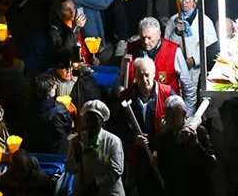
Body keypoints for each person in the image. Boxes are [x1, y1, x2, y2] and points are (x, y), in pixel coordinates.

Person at [119, 57, 173, 194]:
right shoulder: (126, 96)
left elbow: (175, 127)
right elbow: (117, 126)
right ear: (135, 76)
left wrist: (159, 151)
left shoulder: (167, 93)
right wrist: (133, 137)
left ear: (154, 73)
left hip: (162, 156)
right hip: (137, 157)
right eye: (140, 76)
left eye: (147, 75)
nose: (144, 80)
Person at [122, 17, 196, 114]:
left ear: (159, 35)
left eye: (149, 38)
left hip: (168, 114)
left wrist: (187, 114)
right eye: (142, 37)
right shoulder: (130, 49)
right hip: (137, 112)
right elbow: (121, 79)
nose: (145, 42)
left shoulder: (173, 51)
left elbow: (188, 86)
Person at [155, 95, 217, 195]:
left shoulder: (200, 132)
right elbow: (166, 167)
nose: (169, 120)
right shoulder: (164, 135)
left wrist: (196, 145)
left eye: (173, 116)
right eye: (167, 116)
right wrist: (176, 145)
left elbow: (211, 165)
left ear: (184, 114)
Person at [66, 100, 125, 196]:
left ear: (102, 122)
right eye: (88, 119)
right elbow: (70, 169)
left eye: (95, 119)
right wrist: (76, 157)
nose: (91, 123)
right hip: (82, 191)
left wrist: (95, 185)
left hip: (108, 192)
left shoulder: (113, 141)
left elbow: (116, 170)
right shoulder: (76, 140)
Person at [163, 0, 217, 85]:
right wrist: (177, 33)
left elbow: (212, 48)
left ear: (194, 1)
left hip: (199, 70)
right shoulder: (173, 20)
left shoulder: (204, 20)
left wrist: (194, 60)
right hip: (178, 69)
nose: (184, 2)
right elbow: (167, 46)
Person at [29, 73, 72, 154]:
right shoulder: (59, 111)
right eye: (52, 86)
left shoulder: (28, 107)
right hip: (56, 151)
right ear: (46, 91)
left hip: (36, 150)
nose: (55, 87)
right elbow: (66, 130)